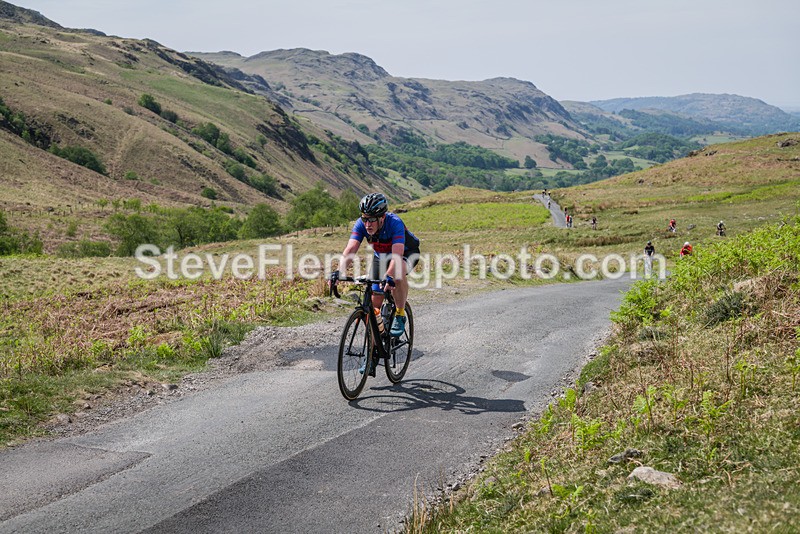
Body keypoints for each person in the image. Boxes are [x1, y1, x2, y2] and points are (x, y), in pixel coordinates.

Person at [332, 192, 420, 339]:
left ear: (382, 217)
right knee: (374, 309)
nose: (367, 224)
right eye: (365, 219)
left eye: (372, 219)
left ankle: (399, 314)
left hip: (407, 253)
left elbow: (397, 256)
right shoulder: (361, 224)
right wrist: (338, 271)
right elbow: (351, 249)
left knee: (397, 275)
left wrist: (389, 276)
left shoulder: (395, 223)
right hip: (381, 256)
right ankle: (373, 352)